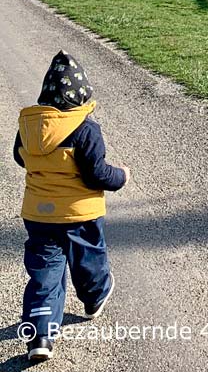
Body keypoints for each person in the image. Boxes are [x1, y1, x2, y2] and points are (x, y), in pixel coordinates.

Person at [14, 51, 129, 362]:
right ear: (82, 96)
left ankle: (39, 335)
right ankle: (95, 297)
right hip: (80, 214)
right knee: (88, 259)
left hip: (39, 214)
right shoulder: (85, 129)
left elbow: (19, 157)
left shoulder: (29, 127)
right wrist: (121, 176)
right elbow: (97, 174)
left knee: (45, 270)